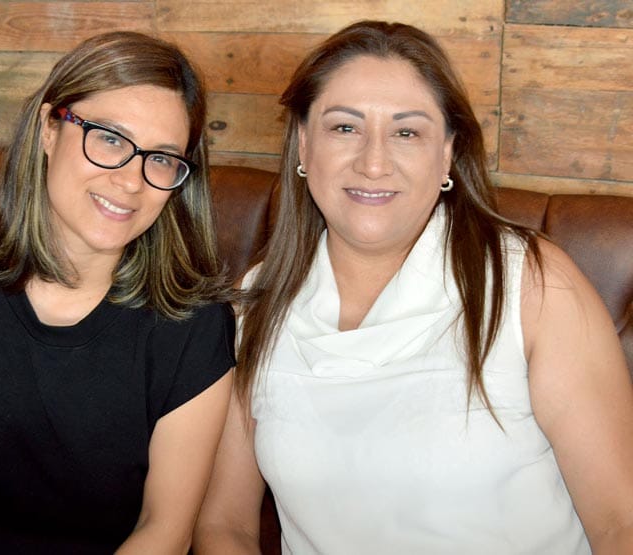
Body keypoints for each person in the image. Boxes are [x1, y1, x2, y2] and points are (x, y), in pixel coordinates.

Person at [193, 20, 633, 554]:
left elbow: (620, 522)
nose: (374, 162)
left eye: (407, 133)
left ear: (446, 153)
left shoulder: (531, 282)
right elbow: (226, 524)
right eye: (345, 128)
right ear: (304, 145)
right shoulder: (259, 300)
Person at [0, 31, 235, 554]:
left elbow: (165, 529)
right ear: (49, 128)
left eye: (160, 158)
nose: (132, 181)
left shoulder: (194, 324)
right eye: (109, 138)